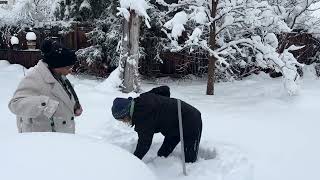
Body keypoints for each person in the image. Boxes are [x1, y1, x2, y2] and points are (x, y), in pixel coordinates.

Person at [8, 39, 82, 133]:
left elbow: (63, 98)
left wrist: (73, 105)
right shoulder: (35, 78)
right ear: (56, 65)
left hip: (62, 136)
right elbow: (14, 104)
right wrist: (43, 103)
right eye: (68, 67)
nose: (70, 70)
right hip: (42, 139)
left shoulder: (59, 76)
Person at [111, 86, 202, 163]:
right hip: (174, 126)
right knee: (162, 155)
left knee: (189, 159)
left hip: (191, 119)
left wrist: (134, 161)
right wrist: (165, 107)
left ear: (125, 114)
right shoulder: (142, 98)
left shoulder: (142, 117)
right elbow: (165, 89)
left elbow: (144, 144)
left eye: (122, 120)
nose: (124, 122)